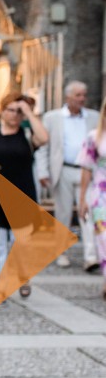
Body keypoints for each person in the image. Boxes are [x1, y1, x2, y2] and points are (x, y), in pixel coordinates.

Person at [0, 93, 48, 297]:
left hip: (23, 195)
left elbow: (44, 138)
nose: (15, 115)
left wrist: (28, 112)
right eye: (11, 110)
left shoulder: (27, 135)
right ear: (2, 110)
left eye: (19, 112)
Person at [37, 81, 100, 271]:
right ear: (68, 97)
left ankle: (91, 256)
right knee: (63, 213)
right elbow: (43, 146)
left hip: (86, 170)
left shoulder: (94, 117)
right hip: (62, 169)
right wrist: (43, 171)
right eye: (78, 95)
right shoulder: (52, 117)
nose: (82, 99)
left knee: (87, 212)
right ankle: (61, 252)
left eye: (84, 95)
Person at [78, 97, 106, 297]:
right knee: (103, 238)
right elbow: (86, 168)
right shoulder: (95, 137)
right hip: (101, 195)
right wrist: (82, 199)